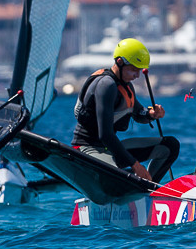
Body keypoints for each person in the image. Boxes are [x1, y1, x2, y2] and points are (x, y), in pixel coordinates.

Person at [70, 38, 177, 181]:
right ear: (120, 62)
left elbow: (139, 113)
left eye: (139, 71)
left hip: (110, 149)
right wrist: (135, 164)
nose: (137, 75)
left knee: (170, 146)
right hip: (88, 150)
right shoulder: (106, 85)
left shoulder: (125, 84)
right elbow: (106, 135)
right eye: (134, 70)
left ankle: (148, 190)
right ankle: (137, 185)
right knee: (126, 177)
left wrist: (151, 114)